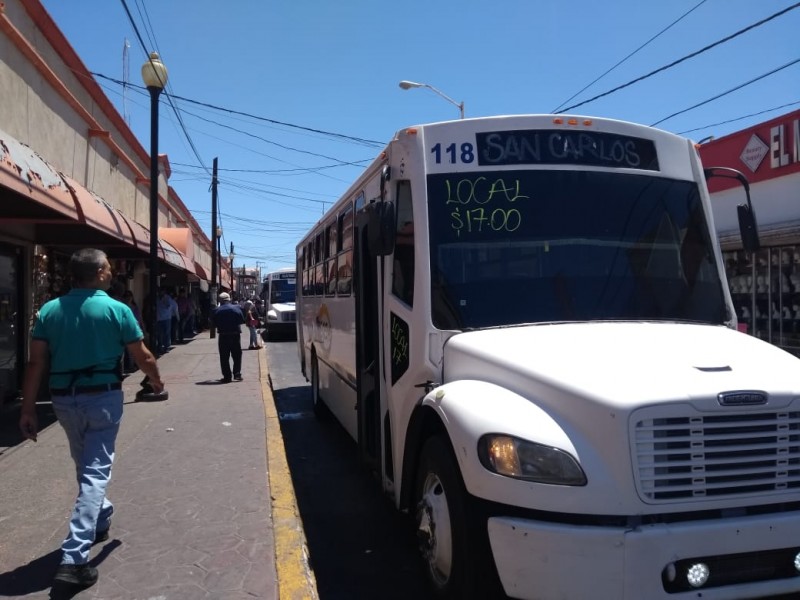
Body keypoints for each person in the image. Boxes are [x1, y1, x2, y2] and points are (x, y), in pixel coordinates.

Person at [18, 248, 164, 589]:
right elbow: (141, 354)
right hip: (103, 397)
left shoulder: (50, 310)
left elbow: (35, 363)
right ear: (98, 273)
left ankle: (101, 515)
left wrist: (27, 409)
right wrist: (156, 381)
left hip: (63, 400)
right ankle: (74, 558)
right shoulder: (117, 309)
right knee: (95, 472)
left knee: (85, 465)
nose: (112, 272)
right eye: (109, 268)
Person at [211, 291, 245, 382]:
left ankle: (227, 377)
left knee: (224, 357)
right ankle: (237, 374)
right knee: (237, 355)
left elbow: (213, 324)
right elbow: (242, 321)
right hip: (235, 335)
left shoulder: (216, 310)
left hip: (223, 336)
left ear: (220, 301)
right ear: (229, 299)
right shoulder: (237, 308)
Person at [155, 289, 178, 354]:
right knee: (159, 334)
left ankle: (166, 347)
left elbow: (168, 306)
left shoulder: (167, 298)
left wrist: (163, 300)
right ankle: (159, 347)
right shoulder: (156, 298)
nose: (160, 292)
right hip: (158, 318)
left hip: (166, 318)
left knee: (166, 333)